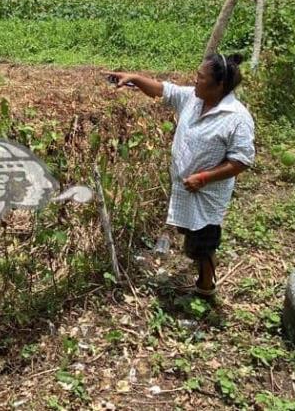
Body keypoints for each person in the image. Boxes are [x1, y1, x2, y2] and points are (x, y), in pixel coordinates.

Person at [103, 53, 255, 296]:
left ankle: (206, 287)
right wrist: (134, 78)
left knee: (203, 243)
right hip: (187, 186)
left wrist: (203, 178)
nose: (195, 81)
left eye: (201, 77)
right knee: (191, 234)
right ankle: (202, 275)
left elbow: (241, 161)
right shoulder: (193, 99)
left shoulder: (237, 118)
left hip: (206, 192)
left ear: (220, 86)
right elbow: (164, 90)